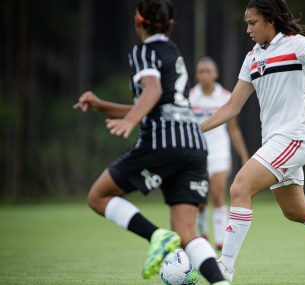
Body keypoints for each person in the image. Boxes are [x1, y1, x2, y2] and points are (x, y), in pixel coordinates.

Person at [200, 1, 305, 284]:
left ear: (270, 20)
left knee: (240, 186)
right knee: (295, 210)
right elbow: (232, 106)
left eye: (253, 23)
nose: (248, 29)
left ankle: (225, 268)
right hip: (275, 141)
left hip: (294, 137)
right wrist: (199, 129)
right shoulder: (252, 58)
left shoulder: (295, 44)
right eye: (246, 23)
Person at [73, 1, 229, 284]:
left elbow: (153, 91)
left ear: (138, 22)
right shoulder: (174, 52)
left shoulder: (143, 51)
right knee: (187, 231)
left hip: (163, 140)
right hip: (194, 144)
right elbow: (154, 102)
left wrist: (131, 122)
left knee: (98, 196)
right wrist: (100, 106)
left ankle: (156, 235)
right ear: (169, 24)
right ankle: (220, 282)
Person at [189, 57, 250, 250]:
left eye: (209, 71)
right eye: (201, 71)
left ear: (215, 74)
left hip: (219, 151)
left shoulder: (225, 96)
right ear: (197, 75)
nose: (205, 75)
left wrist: (244, 155)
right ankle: (203, 234)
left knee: (217, 193)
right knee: (200, 199)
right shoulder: (190, 97)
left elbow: (233, 129)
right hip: (197, 152)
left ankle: (221, 241)